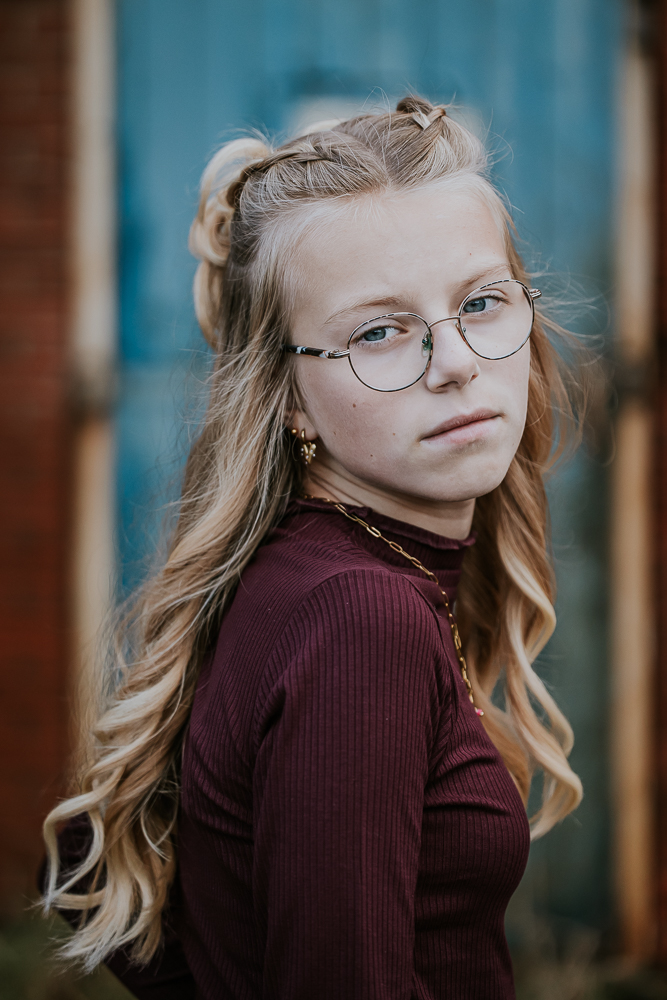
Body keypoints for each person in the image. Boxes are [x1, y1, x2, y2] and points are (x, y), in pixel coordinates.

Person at [41, 95, 585, 999]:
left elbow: (90, 877)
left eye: (481, 303)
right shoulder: (359, 619)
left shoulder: (316, 575)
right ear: (287, 397)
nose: (453, 360)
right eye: (379, 331)